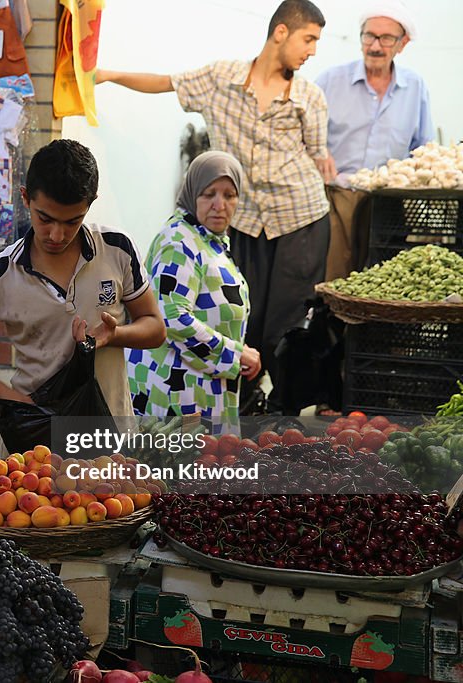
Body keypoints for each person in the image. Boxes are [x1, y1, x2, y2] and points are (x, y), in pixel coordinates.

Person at [97, 0, 331, 414]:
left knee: (289, 324)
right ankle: (242, 403)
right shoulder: (221, 78)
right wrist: (105, 75)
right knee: (241, 314)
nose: (313, 50)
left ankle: (281, 414)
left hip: (298, 217)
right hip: (242, 219)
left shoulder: (310, 97)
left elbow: (318, 155)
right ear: (281, 32)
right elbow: (166, 82)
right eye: (309, 38)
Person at [0, 139, 165, 423]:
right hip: (36, 439)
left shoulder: (117, 248)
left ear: (90, 205)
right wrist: (5, 397)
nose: (57, 235)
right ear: (25, 198)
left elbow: (155, 328)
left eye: (72, 222)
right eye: (45, 219)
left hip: (113, 432)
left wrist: (114, 335)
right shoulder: (1, 273)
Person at [128, 152, 262, 427]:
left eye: (229, 195)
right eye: (208, 193)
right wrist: (234, 354)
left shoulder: (207, 240)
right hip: (174, 396)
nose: (219, 205)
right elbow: (172, 318)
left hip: (197, 392)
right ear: (191, 193)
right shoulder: (179, 241)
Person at [314, 0, 434, 280]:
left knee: (383, 277)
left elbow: (423, 148)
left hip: (388, 201)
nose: (375, 46)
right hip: (336, 196)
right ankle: (330, 323)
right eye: (369, 36)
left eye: (386, 38)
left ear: (402, 44)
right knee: (334, 277)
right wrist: (319, 153)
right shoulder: (330, 81)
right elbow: (303, 134)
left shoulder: (415, 87)